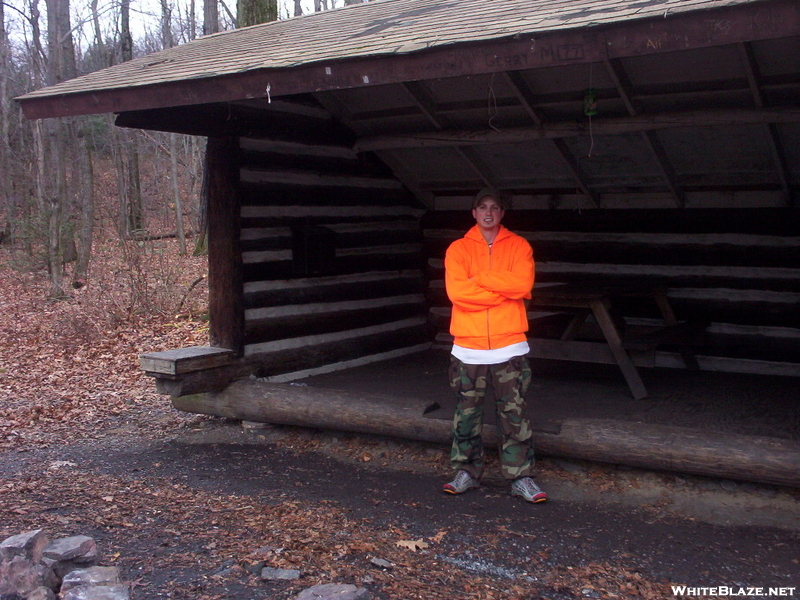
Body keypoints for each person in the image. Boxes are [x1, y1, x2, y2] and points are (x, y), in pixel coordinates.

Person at [441, 188, 546, 503]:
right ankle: (466, 473)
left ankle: (520, 478)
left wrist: (480, 279)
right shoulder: (458, 249)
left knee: (514, 415)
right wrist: (502, 287)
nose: (488, 213)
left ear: (502, 213)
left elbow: (522, 285)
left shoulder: (519, 246)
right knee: (467, 414)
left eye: (495, 208)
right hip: (468, 347)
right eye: (482, 207)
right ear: (474, 213)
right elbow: (458, 294)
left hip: (509, 345)